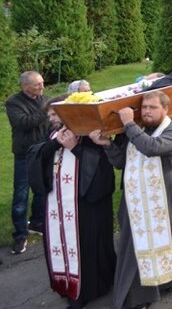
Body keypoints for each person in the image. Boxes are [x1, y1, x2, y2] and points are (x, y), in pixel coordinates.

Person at [89, 90, 172, 309]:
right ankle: (140, 291)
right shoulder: (138, 130)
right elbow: (122, 162)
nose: (147, 112)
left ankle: (166, 281)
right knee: (134, 244)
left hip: (162, 194)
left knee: (167, 235)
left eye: (153, 107)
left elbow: (152, 148)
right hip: (134, 198)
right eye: (144, 108)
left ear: (166, 109)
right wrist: (107, 145)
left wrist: (128, 124)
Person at [29, 96, 115, 309]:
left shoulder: (90, 135)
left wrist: (76, 148)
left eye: (55, 114)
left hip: (86, 209)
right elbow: (35, 157)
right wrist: (56, 143)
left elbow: (102, 176)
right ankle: (66, 283)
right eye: (49, 114)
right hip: (57, 207)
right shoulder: (52, 135)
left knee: (85, 247)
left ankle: (86, 291)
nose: (51, 118)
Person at [6, 71, 49, 254]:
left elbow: (51, 122)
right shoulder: (13, 103)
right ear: (25, 87)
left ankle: (37, 222)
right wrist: (46, 110)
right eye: (37, 84)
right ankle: (20, 235)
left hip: (43, 151)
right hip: (24, 154)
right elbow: (24, 123)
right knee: (21, 195)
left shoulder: (45, 98)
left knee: (42, 189)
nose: (42, 87)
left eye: (42, 83)